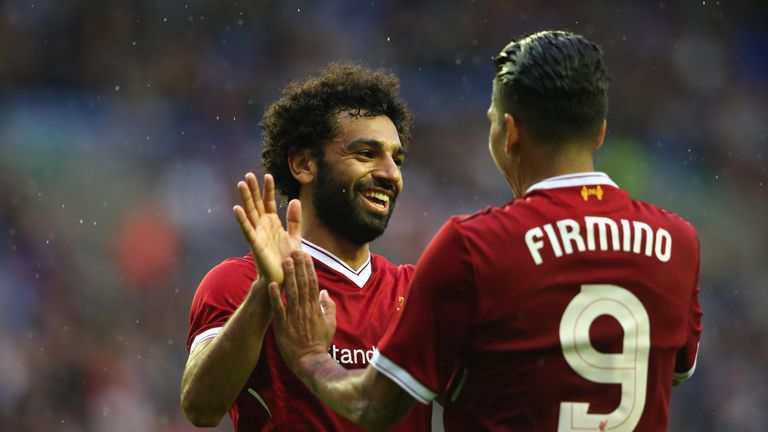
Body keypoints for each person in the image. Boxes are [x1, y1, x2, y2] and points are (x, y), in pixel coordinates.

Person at [263, 31, 703, 431]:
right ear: (600, 133)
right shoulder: (678, 243)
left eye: (492, 119)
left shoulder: (475, 248)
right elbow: (672, 371)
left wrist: (312, 358)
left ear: (508, 132)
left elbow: (373, 407)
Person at [180, 63, 432, 431]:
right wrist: (265, 294)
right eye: (366, 154)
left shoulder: (417, 291)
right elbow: (200, 407)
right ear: (303, 164)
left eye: (397, 159)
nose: (391, 173)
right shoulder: (238, 281)